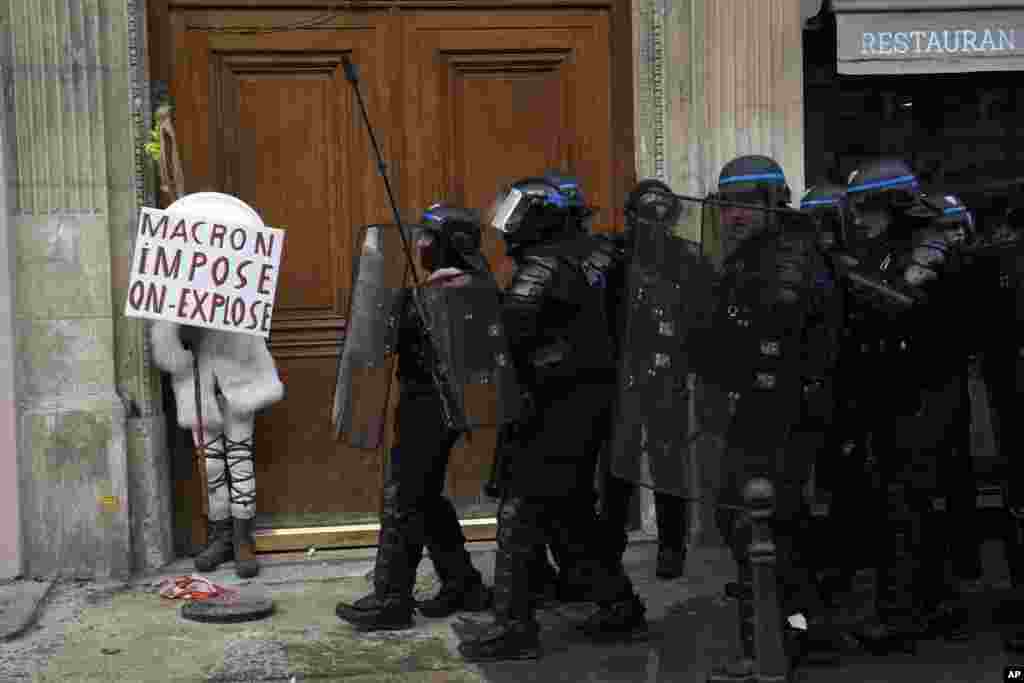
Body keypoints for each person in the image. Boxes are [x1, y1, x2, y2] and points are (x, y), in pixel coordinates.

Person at [457, 175, 648, 662]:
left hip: (548, 410)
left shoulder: (540, 266)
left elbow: (505, 336)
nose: (507, 224)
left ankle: (514, 627)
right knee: (570, 514)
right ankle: (619, 604)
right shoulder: (597, 256)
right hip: (589, 407)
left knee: (521, 514)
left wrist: (473, 290)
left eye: (516, 211)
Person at [700, 156, 844, 680]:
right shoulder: (750, 254)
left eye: (745, 204)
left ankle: (770, 645)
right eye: (727, 204)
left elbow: (776, 337)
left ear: (772, 202)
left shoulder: (787, 257)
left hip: (782, 415)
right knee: (752, 522)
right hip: (757, 410)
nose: (734, 215)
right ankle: (790, 630)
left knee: (757, 525)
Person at [334, 204, 493, 631]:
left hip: (430, 409)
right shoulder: (477, 288)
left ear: (449, 246)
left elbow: (383, 341)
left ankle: (391, 597)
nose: (420, 244)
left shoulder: (440, 296)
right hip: (442, 409)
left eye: (429, 238)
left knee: (404, 497)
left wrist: (398, 298)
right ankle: (463, 583)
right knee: (425, 496)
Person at [836, 160, 967, 652]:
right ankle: (928, 602)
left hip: (927, 392)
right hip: (893, 391)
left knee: (910, 501)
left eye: (868, 208)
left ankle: (908, 612)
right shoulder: (884, 246)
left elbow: (902, 298)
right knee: (899, 499)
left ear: (894, 204)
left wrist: (845, 272)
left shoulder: (934, 242)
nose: (861, 218)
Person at [150, 192, 286, 580]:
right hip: (198, 391)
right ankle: (221, 535)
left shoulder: (241, 290)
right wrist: (182, 333)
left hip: (238, 387)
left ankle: (244, 536)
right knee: (211, 465)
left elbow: (251, 340)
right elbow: (167, 354)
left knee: (239, 459)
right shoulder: (170, 299)